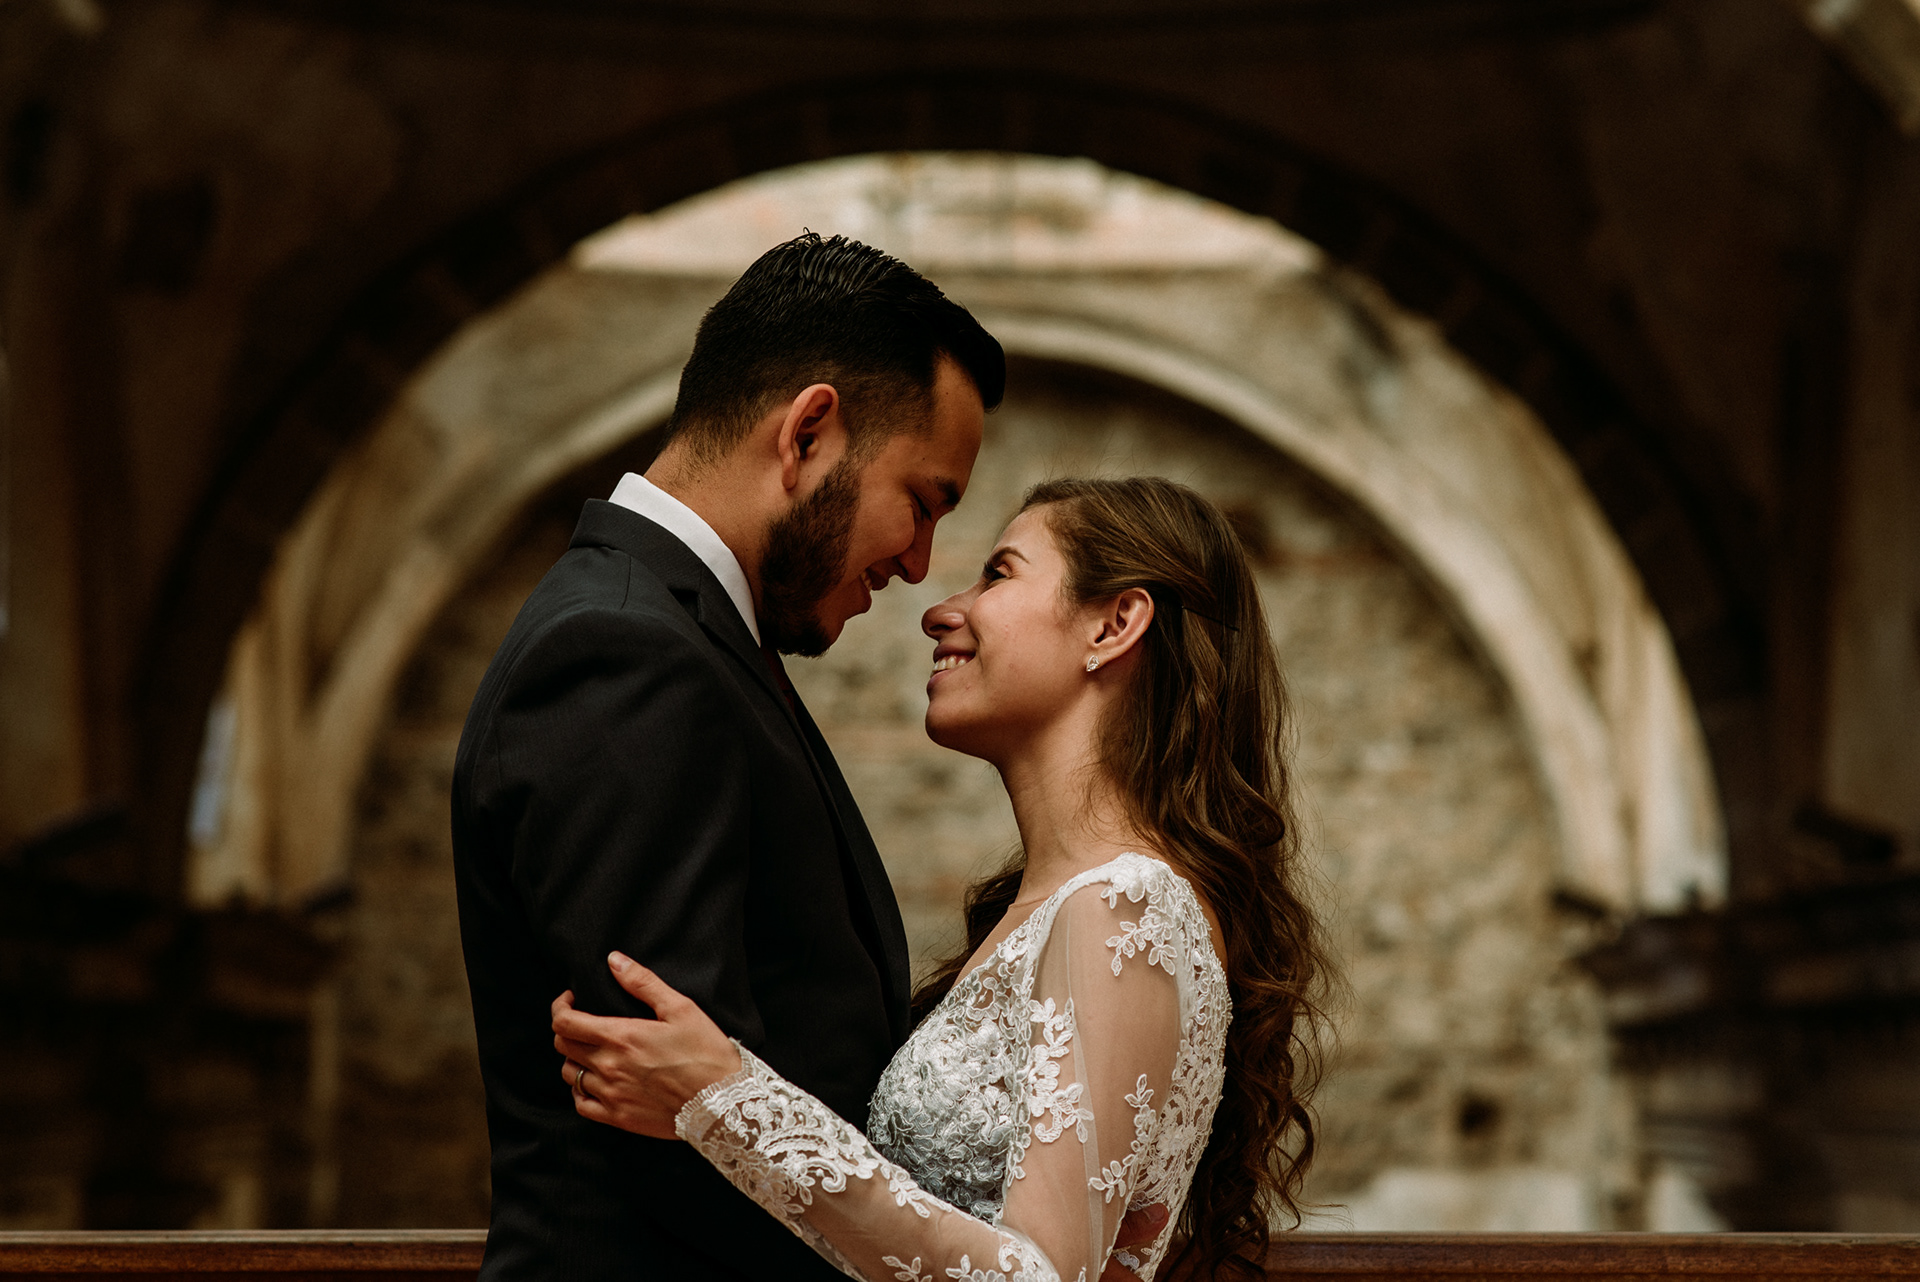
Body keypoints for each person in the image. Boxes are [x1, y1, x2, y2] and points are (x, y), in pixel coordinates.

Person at [550, 477, 1328, 1282]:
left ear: (1115, 623)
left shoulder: (1123, 906)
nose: (939, 609)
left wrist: (729, 1102)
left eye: (998, 573)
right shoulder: (1058, 906)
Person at [451, 232, 1004, 1282]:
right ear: (809, 431)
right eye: (923, 501)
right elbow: (672, 1131)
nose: (920, 564)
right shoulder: (622, 653)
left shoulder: (684, 637)